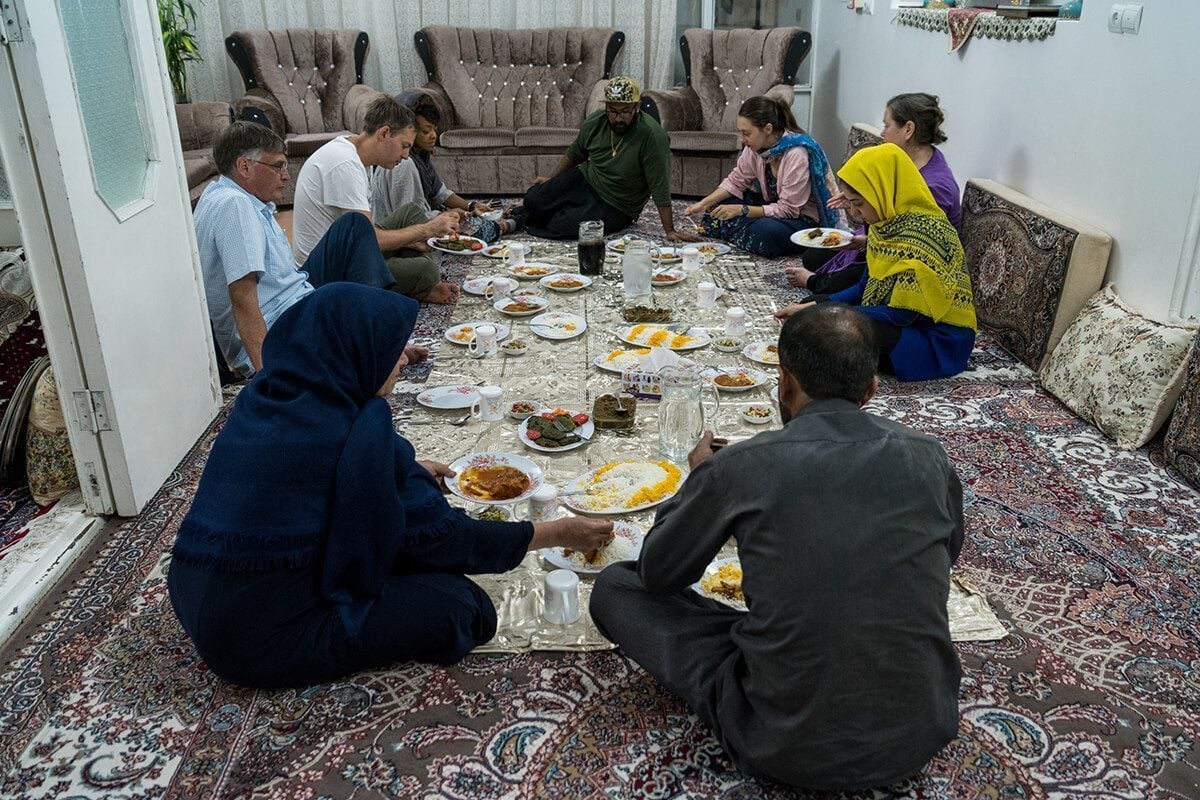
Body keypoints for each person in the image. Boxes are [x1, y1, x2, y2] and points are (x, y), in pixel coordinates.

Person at [590, 303, 965, 791]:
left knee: (617, 588)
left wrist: (700, 477)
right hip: (920, 733)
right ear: (872, 388)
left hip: (780, 744)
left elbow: (659, 573)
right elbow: (946, 557)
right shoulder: (931, 456)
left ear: (783, 383)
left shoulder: (743, 465)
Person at [168, 283, 614, 688]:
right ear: (356, 352)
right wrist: (556, 533)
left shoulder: (270, 397)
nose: (402, 359)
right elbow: (447, 541)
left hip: (198, 599)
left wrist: (410, 470)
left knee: (399, 545)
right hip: (264, 642)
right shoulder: (358, 434)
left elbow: (326, 485)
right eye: (392, 349)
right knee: (465, 609)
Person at [194, 121, 425, 378]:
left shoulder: (223, 192)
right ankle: (377, 345)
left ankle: (376, 341)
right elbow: (242, 298)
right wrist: (268, 379)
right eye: (277, 166)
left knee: (354, 226)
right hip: (282, 326)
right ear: (244, 166)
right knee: (388, 307)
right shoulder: (235, 205)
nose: (286, 175)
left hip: (295, 298)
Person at [775, 142, 977, 381]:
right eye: (849, 202)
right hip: (905, 325)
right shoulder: (888, 225)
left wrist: (828, 312)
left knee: (831, 331)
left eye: (858, 203)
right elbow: (864, 287)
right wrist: (817, 305)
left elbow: (902, 315)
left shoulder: (925, 234)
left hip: (935, 341)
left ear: (882, 192)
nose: (853, 212)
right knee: (813, 310)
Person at [788, 93, 962, 296]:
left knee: (854, 280)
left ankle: (815, 282)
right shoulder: (901, 161)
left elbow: (911, 243)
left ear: (908, 129)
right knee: (814, 255)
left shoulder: (935, 187)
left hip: (911, 264)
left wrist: (863, 242)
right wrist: (858, 198)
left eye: (887, 126)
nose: (882, 133)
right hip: (882, 240)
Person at [291, 95, 460, 304]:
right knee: (425, 267)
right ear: (384, 133)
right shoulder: (344, 164)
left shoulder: (356, 154)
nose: (407, 155)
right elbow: (369, 239)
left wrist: (413, 235)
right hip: (326, 273)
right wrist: (427, 230)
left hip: (347, 249)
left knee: (411, 213)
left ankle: (413, 285)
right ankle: (416, 285)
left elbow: (364, 232)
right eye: (404, 145)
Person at [507, 76, 700, 243]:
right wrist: (553, 180)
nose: (618, 118)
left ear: (637, 107)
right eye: (612, 111)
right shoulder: (595, 122)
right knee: (533, 198)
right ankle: (532, 213)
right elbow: (575, 153)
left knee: (564, 226)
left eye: (625, 112)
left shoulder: (652, 136)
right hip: (586, 179)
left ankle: (524, 218)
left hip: (618, 204)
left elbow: (660, 186)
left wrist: (670, 230)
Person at [682, 95, 844, 258]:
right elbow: (736, 181)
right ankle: (743, 230)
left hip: (801, 219)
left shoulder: (796, 154)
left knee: (765, 231)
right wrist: (704, 203)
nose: (742, 139)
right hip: (772, 206)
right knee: (718, 206)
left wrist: (742, 210)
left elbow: (788, 210)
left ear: (767, 129)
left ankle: (743, 231)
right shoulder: (756, 148)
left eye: (746, 133)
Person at [369, 93, 515, 244]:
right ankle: (507, 225)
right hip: (399, 234)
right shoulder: (403, 163)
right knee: (482, 229)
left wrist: (471, 206)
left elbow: (440, 192)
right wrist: (448, 215)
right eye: (426, 131)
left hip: (423, 221)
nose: (433, 136)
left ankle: (510, 222)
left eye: (434, 130)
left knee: (473, 220)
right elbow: (410, 219)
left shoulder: (420, 156)